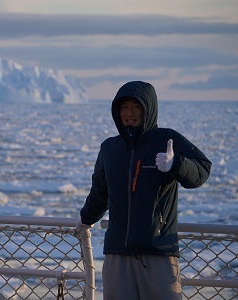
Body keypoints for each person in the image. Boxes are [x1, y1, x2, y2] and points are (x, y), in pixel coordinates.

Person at [77, 81, 211, 299]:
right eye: (124, 107)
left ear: (148, 109)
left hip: (158, 253)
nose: (129, 113)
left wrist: (176, 164)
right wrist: (85, 218)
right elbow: (101, 190)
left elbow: (202, 171)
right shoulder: (110, 148)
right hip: (117, 253)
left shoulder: (167, 139)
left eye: (136, 106)